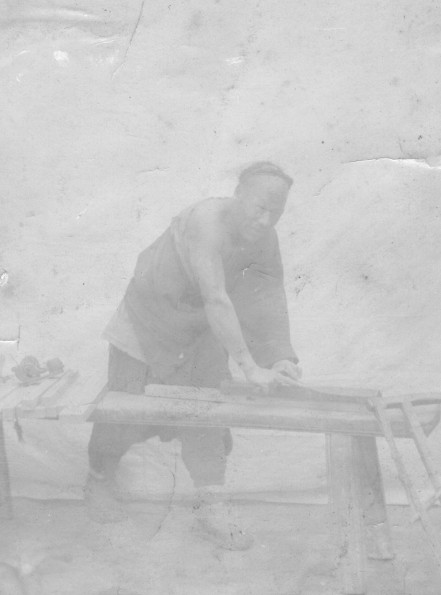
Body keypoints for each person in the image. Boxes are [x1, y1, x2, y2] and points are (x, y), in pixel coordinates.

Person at [85, 161, 301, 550]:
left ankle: (210, 508)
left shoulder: (265, 238)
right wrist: (250, 367)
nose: (267, 220)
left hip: (200, 329)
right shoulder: (206, 221)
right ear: (237, 196)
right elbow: (217, 296)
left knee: (209, 415)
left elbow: (268, 296)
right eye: (259, 207)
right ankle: (100, 480)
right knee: (123, 414)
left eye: (277, 212)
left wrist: (280, 359)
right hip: (147, 321)